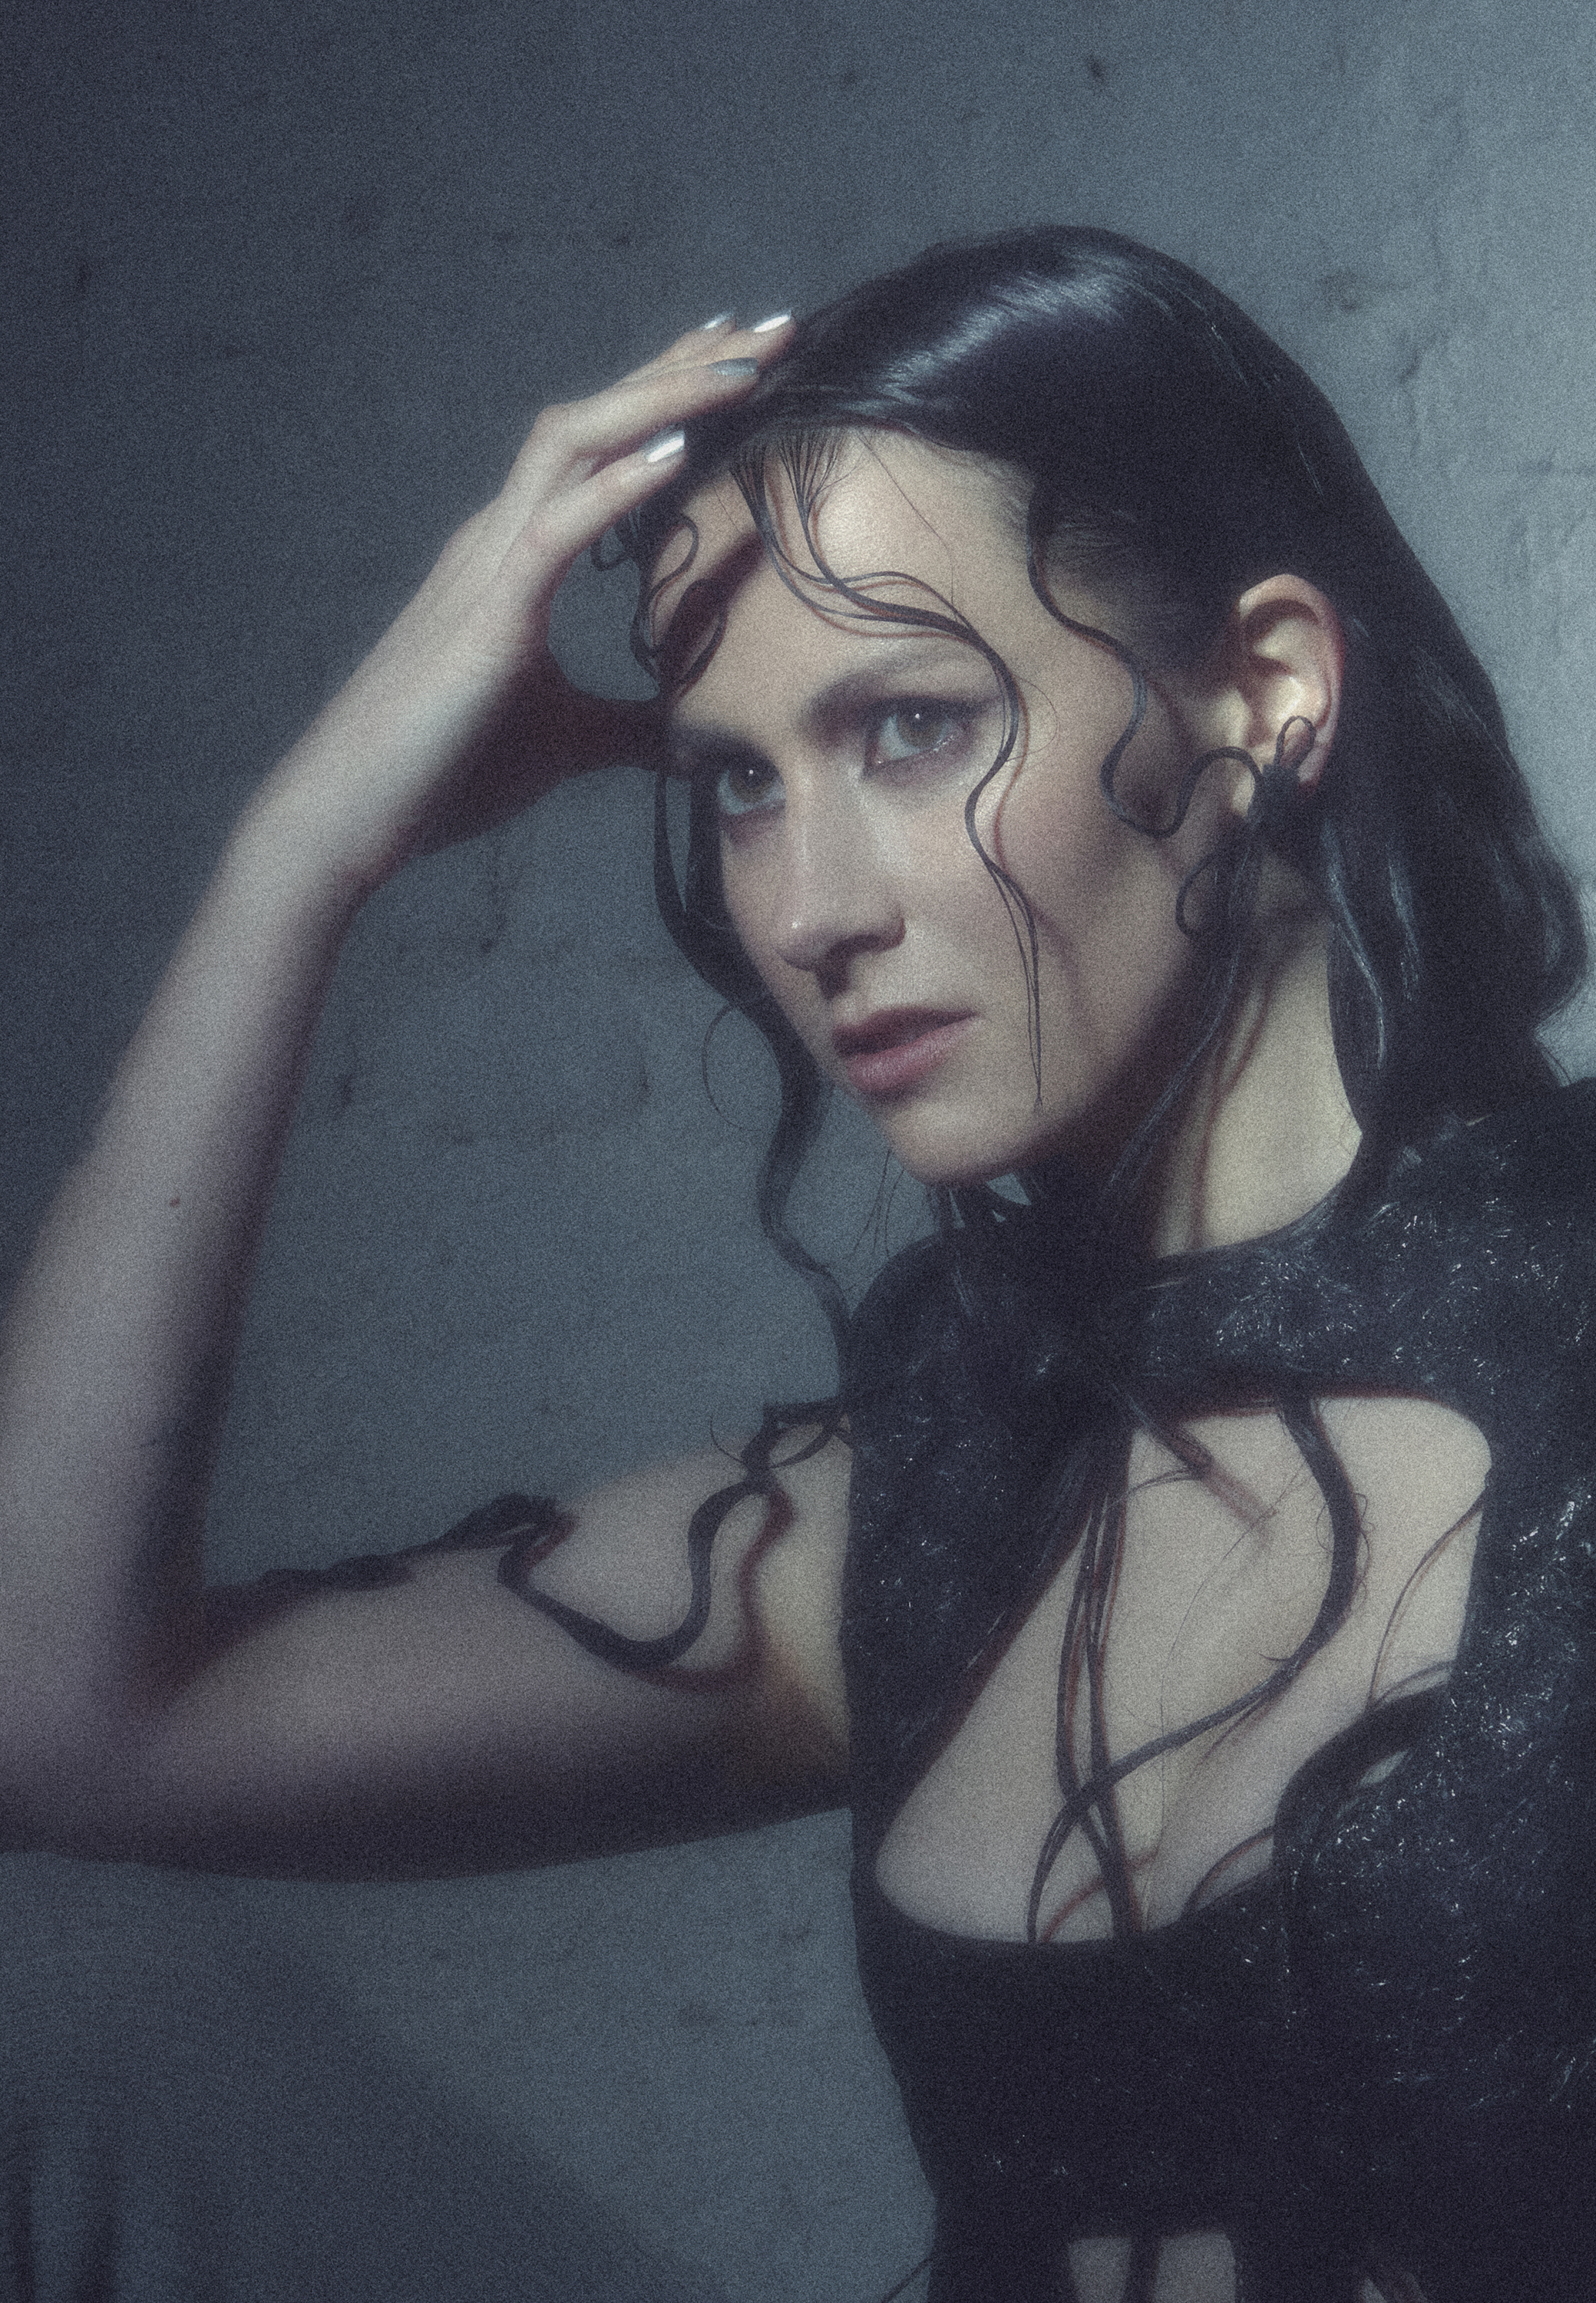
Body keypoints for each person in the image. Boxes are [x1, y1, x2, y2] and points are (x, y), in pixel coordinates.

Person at [1, 225, 1591, 2303]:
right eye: (741, 784)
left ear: (1266, 690)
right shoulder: (936, 1497)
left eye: (911, 728)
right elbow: (62, 1715)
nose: (811, 907)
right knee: (60, 2003)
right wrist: (300, 856)